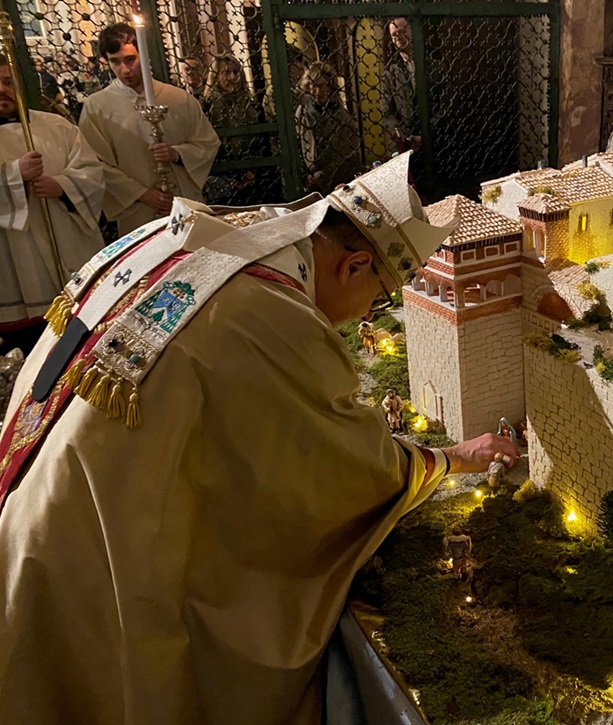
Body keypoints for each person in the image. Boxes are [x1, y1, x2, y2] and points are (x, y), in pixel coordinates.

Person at [0, 151, 520, 722]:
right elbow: (343, 470)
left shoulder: (197, 231)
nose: (362, 321)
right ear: (352, 265)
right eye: (375, 301)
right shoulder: (271, 313)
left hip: (28, 492)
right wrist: (444, 461)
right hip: (83, 567)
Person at [0, 54, 104, 357]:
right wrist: (13, 174)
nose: (3, 89)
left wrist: (63, 186)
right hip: (14, 266)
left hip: (66, 245)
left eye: (8, 82)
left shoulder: (56, 126)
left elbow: (92, 171)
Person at [79, 23, 219, 235]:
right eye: (114, 62)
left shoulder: (179, 99)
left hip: (183, 203)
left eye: (130, 59)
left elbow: (207, 143)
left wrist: (177, 154)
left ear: (144, 55)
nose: (124, 70)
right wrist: (142, 194)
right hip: (137, 210)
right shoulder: (97, 107)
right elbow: (95, 163)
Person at [201, 53, 271, 206]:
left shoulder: (252, 106)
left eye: (236, 72)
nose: (232, 77)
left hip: (256, 178)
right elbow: (207, 145)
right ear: (216, 76)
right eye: (226, 72)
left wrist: (252, 171)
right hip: (221, 178)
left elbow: (263, 142)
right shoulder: (206, 107)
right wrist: (234, 174)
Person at [296, 61, 361, 194]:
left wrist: (324, 175)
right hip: (310, 183)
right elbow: (296, 144)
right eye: (314, 85)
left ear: (331, 87)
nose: (318, 91)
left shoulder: (342, 115)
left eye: (323, 86)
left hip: (338, 183)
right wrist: (305, 176)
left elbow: (347, 153)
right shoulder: (302, 111)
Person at [382, 17, 419, 153]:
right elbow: (387, 112)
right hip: (405, 145)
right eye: (394, 34)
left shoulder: (433, 65)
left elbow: (444, 105)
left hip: (435, 141)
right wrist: (406, 137)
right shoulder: (389, 72)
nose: (399, 37)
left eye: (403, 31)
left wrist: (426, 134)